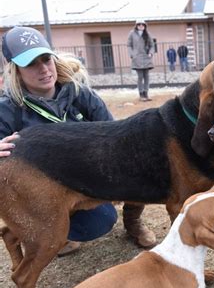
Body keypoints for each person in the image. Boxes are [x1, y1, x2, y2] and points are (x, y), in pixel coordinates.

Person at [0, 27, 136, 256]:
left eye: (46, 59)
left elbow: (116, 136)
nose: (44, 69)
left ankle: (134, 223)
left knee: (104, 216)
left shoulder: (81, 94)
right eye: (31, 63)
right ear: (15, 70)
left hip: (86, 181)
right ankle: (43, 232)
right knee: (80, 224)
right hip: (44, 193)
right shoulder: (7, 109)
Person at [127, 19, 154, 101]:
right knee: (140, 76)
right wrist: (132, 54)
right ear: (136, 25)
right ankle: (141, 94)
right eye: (139, 24)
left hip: (146, 58)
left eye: (142, 25)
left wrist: (150, 53)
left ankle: (146, 93)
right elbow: (129, 45)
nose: (141, 26)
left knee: (147, 76)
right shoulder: (132, 33)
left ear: (145, 26)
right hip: (137, 58)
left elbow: (152, 45)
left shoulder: (147, 34)